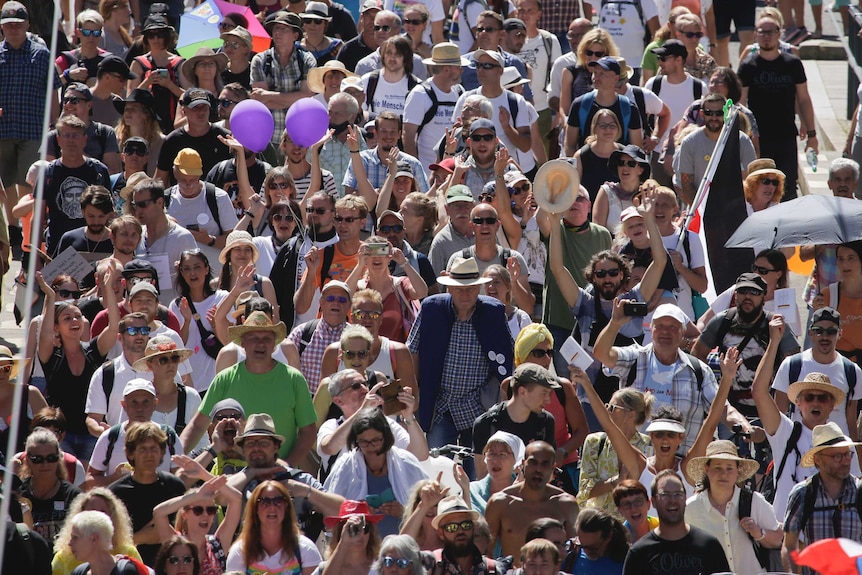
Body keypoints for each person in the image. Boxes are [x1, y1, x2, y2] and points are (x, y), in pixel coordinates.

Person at [594, 299, 754, 455]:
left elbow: (723, 410)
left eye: (672, 327)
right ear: (651, 328)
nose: (665, 331)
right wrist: (615, 323)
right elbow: (601, 353)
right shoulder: (635, 358)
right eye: (660, 326)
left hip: (682, 468)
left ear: (682, 332)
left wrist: (745, 427)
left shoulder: (699, 370)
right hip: (635, 465)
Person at [407, 256, 513, 469]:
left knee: (478, 473)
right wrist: (416, 393)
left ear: (478, 289)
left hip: (478, 405)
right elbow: (412, 353)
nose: (465, 293)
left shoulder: (494, 312)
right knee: (439, 470)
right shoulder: (431, 308)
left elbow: (508, 357)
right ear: (450, 289)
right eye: (459, 288)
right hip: (440, 403)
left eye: (471, 288)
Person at [751, 314, 852, 520]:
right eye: (809, 397)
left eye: (823, 398)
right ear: (798, 402)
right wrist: (774, 343)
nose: (815, 402)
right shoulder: (785, 431)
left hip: (825, 538)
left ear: (832, 405)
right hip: (784, 535)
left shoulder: (845, 445)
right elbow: (759, 391)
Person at [181, 311, 317, 465]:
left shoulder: (294, 379)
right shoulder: (224, 379)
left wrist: (287, 468)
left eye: (266, 338)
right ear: (243, 343)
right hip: (230, 476)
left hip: (278, 481)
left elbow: (308, 431)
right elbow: (198, 425)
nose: (260, 343)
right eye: (253, 338)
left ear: (274, 345)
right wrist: (175, 456)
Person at [692, 272, 799, 428]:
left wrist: (781, 407)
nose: (748, 296)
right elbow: (697, 355)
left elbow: (794, 367)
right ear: (735, 295)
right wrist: (712, 389)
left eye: (754, 292)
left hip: (768, 412)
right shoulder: (722, 321)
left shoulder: (776, 325)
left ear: (764, 297)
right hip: (729, 411)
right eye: (743, 291)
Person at [36, 265, 119, 463]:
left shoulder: (93, 351)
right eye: (67, 318)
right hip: (60, 434)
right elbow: (46, 333)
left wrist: (107, 288)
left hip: (91, 433)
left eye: (78, 317)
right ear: (57, 326)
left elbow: (114, 326)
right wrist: (49, 296)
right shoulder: (52, 355)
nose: (74, 320)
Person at [738, 13, 817, 200]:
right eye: (762, 32)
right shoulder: (748, 66)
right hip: (758, 139)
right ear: (756, 35)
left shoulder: (793, 64)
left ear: (779, 33)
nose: (767, 36)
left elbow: (804, 98)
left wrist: (812, 134)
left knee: (788, 188)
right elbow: (740, 103)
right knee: (758, 187)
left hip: (786, 136)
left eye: (771, 32)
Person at [0, 0, 59, 230]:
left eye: (18, 24)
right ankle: (14, 229)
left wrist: (53, 124)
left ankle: (27, 229)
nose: (13, 28)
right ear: (2, 27)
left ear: (27, 24)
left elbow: (53, 90)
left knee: (27, 181)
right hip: (3, 129)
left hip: (33, 127)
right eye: (8, 24)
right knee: (5, 184)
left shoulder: (42, 54)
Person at [324, 408, 429, 536]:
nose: (370, 446)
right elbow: (331, 518)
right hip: (359, 549)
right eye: (363, 442)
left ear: (386, 437)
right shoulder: (345, 466)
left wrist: (405, 512)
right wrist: (358, 513)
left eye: (375, 440)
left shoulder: (406, 462)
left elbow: (430, 510)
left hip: (403, 546)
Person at [684, 439, 782, 574]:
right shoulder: (691, 509)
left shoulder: (754, 501)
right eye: (717, 468)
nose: (724, 474)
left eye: (729, 468)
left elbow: (778, 539)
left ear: (737, 471)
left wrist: (759, 533)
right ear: (707, 469)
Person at [783, 422, 862, 574]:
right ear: (818, 459)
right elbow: (789, 545)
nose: (845, 461)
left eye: (847, 454)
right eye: (837, 456)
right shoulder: (802, 494)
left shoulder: (860, 492)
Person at [772, 307, 862, 439]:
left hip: (837, 453)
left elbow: (851, 422)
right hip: (799, 449)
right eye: (818, 331)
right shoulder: (791, 366)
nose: (825, 336)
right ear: (810, 333)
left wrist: (856, 456)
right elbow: (778, 416)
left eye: (831, 331)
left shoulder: (853, 371)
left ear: (840, 334)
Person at [621, 470, 730, 575]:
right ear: (653, 502)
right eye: (665, 494)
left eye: (678, 494)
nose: (672, 500)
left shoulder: (709, 546)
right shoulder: (639, 553)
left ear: (685, 499)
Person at [485, 441, 579, 562]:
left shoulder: (566, 504)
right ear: (524, 464)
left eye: (545, 464)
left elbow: (573, 555)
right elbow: (486, 552)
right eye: (533, 462)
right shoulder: (500, 503)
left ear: (553, 467)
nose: (538, 469)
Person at [86, 379, 184, 487]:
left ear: (155, 403)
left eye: (145, 401)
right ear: (124, 405)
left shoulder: (168, 436)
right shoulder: (110, 437)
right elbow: (89, 481)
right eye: (134, 402)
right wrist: (114, 479)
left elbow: (181, 478)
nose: (140, 408)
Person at [39, 115, 111, 257]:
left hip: (96, 248)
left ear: (85, 139)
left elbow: (108, 212)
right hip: (57, 250)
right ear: (58, 140)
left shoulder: (99, 171)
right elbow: (38, 219)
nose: (71, 140)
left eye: (76, 135)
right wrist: (34, 256)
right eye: (66, 135)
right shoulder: (48, 172)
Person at [576, 388, 652, 519]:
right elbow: (583, 493)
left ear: (630, 414)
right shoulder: (595, 441)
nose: (606, 411)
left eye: (612, 407)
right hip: (597, 522)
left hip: (633, 523)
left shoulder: (648, 445)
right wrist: (615, 482)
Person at [472, 364, 557, 478]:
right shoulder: (486, 424)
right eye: (543, 393)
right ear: (522, 392)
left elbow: (549, 475)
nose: (548, 400)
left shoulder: (545, 422)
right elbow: (482, 477)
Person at [674, 93, 757, 206]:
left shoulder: (742, 141)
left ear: (727, 113)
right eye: (709, 113)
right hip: (701, 209)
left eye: (719, 113)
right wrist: (701, 211)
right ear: (702, 114)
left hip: (735, 207)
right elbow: (687, 186)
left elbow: (751, 180)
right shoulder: (689, 143)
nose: (714, 118)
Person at [251, 11, 317, 152]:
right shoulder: (260, 60)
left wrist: (268, 95)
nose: (278, 33)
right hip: (268, 138)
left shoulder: (306, 60)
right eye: (276, 28)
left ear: (295, 35)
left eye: (284, 29)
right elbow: (259, 101)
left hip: (300, 137)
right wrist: (295, 97)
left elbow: (307, 98)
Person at [225, 480, 323, 574]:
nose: (272, 507)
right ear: (255, 509)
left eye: (278, 501)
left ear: (286, 507)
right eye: (265, 502)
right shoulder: (240, 551)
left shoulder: (305, 549)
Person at [153, 475, 242, 575]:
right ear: (184, 514)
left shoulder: (217, 546)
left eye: (210, 510)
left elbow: (237, 499)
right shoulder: (175, 544)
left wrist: (203, 474)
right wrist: (196, 495)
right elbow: (158, 513)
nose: (205, 515)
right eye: (198, 510)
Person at [345, 235, 427, 343]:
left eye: (381, 252)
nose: (376, 258)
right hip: (363, 354)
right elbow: (343, 296)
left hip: (396, 355)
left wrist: (403, 262)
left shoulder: (400, 285)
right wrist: (360, 265)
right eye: (371, 253)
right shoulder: (359, 287)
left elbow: (422, 292)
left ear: (389, 257)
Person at [169, 249, 229, 394]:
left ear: (206, 269)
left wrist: (217, 325)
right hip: (190, 381)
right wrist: (187, 321)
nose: (192, 273)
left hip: (218, 378)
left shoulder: (222, 298)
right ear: (182, 273)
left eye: (197, 267)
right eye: (187, 269)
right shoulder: (176, 305)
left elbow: (231, 340)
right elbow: (177, 346)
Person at [131, 178, 198, 306]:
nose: (138, 210)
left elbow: (196, 282)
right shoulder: (137, 235)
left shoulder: (182, 237)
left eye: (143, 204)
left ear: (160, 202)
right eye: (135, 205)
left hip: (174, 313)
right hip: (143, 312)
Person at [402, 42, 468, 172]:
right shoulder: (420, 94)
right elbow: (407, 135)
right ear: (446, 69)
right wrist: (416, 171)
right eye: (458, 67)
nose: (462, 70)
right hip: (427, 171)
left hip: (455, 171)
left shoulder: (460, 92)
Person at [84, 312, 151, 437]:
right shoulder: (105, 373)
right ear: (120, 338)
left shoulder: (161, 367)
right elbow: (93, 418)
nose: (140, 335)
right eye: (133, 331)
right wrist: (103, 432)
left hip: (156, 446)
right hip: (119, 446)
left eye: (144, 330)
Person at [52, 488, 142, 575]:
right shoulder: (63, 558)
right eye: (91, 512)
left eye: (103, 512)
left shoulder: (129, 555)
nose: (97, 517)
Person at [17, 427, 83, 541]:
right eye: (37, 459)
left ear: (59, 458)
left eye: (51, 458)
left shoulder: (74, 496)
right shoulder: (18, 495)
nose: (45, 464)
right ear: (27, 460)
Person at [127, 16, 184, 134]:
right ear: (146, 39)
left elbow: (189, 95)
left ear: (167, 36)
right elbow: (130, 98)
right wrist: (147, 82)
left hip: (173, 122)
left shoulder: (179, 63)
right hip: (146, 122)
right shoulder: (138, 63)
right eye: (151, 35)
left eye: (160, 34)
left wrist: (169, 85)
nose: (156, 39)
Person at [0, 345, 48, 454]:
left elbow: (51, 428)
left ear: (11, 369)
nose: (1, 373)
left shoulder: (30, 393)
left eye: (6, 368)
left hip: (28, 465)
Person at [65, 511, 143, 575]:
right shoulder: (79, 572)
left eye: (75, 537)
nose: (70, 543)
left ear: (94, 539)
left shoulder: (127, 571)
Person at [319, 500, 383, 575]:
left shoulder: (384, 568)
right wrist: (343, 543)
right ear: (341, 532)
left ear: (371, 533)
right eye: (354, 529)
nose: (360, 534)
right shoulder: (324, 568)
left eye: (365, 528)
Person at [468, 431, 525, 515]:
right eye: (491, 454)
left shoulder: (525, 492)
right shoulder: (471, 490)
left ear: (515, 459)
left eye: (502, 454)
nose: (495, 460)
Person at [114, 90, 164, 175]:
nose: (127, 112)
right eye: (126, 109)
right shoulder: (116, 139)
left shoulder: (160, 142)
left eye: (133, 109)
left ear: (146, 114)